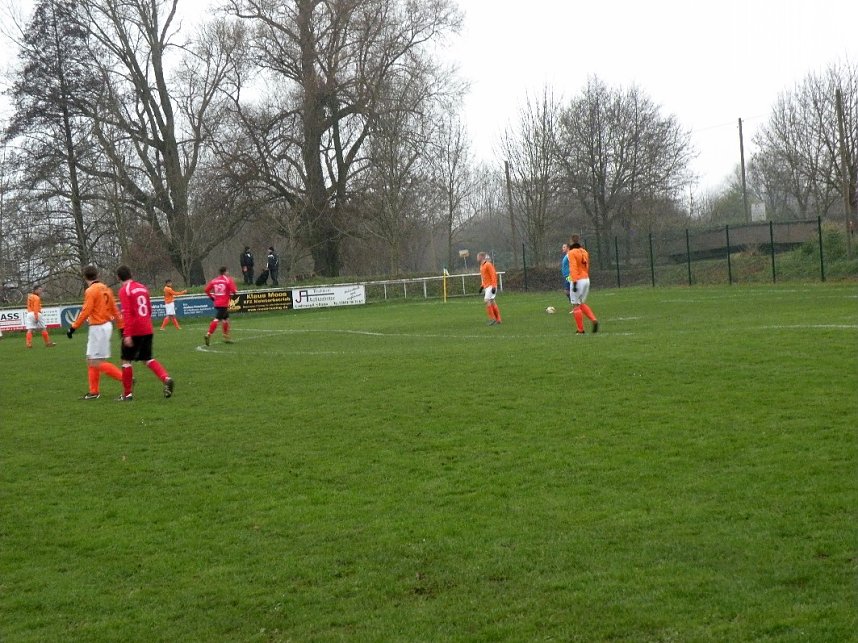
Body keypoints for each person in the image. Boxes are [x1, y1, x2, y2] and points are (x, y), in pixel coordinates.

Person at [116, 265, 175, 400]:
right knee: (147, 358)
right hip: (147, 327)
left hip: (134, 329)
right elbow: (149, 309)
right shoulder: (142, 287)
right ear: (130, 274)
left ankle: (127, 394)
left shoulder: (125, 290)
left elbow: (128, 313)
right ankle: (166, 378)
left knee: (126, 360)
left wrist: (128, 334)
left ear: (118, 277)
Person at [66, 265, 124, 400]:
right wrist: (121, 327)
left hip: (97, 327)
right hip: (107, 326)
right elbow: (115, 309)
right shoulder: (106, 288)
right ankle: (93, 392)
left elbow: (86, 311)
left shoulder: (91, 291)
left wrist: (73, 328)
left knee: (93, 361)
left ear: (85, 276)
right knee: (94, 359)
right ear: (97, 275)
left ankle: (125, 378)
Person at [567, 234, 599, 334]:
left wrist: (575, 282)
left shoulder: (571, 253)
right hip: (586, 279)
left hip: (578, 280)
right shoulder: (584, 251)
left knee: (575, 305)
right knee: (581, 303)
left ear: (572, 242)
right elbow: (586, 266)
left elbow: (573, 267)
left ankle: (580, 330)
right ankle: (594, 320)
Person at [204, 266, 238, 346]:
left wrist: (212, 297)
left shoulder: (214, 280)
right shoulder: (228, 280)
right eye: (227, 272)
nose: (228, 273)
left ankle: (226, 337)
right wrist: (231, 296)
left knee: (225, 319)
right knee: (217, 319)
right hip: (224, 303)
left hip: (217, 302)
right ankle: (208, 334)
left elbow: (206, 290)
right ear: (225, 272)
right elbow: (234, 291)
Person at [477, 251, 502, 325]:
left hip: (491, 286)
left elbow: (493, 275)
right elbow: (484, 277)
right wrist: (482, 286)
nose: (477, 258)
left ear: (481, 257)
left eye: (478, 256)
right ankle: (498, 319)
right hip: (487, 286)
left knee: (486, 300)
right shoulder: (481, 266)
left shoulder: (488, 264)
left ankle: (492, 318)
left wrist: (494, 286)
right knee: (492, 301)